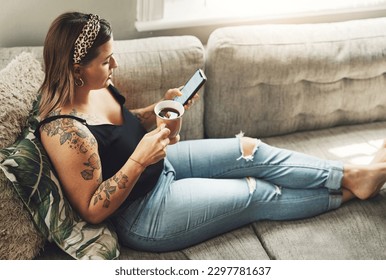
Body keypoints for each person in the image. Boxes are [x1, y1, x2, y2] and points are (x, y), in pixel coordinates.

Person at [36, 12, 385, 252]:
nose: (116, 65)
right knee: (256, 193)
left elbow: (118, 128)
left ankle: (353, 174)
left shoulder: (97, 85)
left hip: (163, 166)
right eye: (106, 60)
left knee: (250, 149)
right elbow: (93, 209)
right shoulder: (64, 130)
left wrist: (156, 109)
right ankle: (353, 190)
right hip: (144, 212)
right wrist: (140, 159)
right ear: (76, 68)